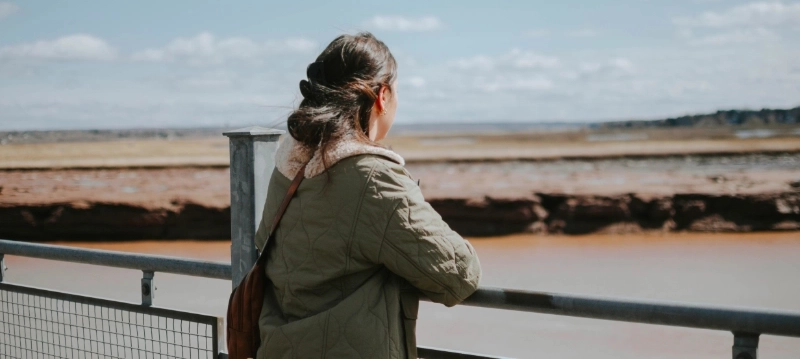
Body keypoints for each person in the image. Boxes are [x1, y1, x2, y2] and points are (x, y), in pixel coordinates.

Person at [254, 32, 481, 359]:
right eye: (398, 92)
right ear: (383, 96)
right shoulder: (373, 177)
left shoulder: (287, 169)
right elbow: (460, 276)